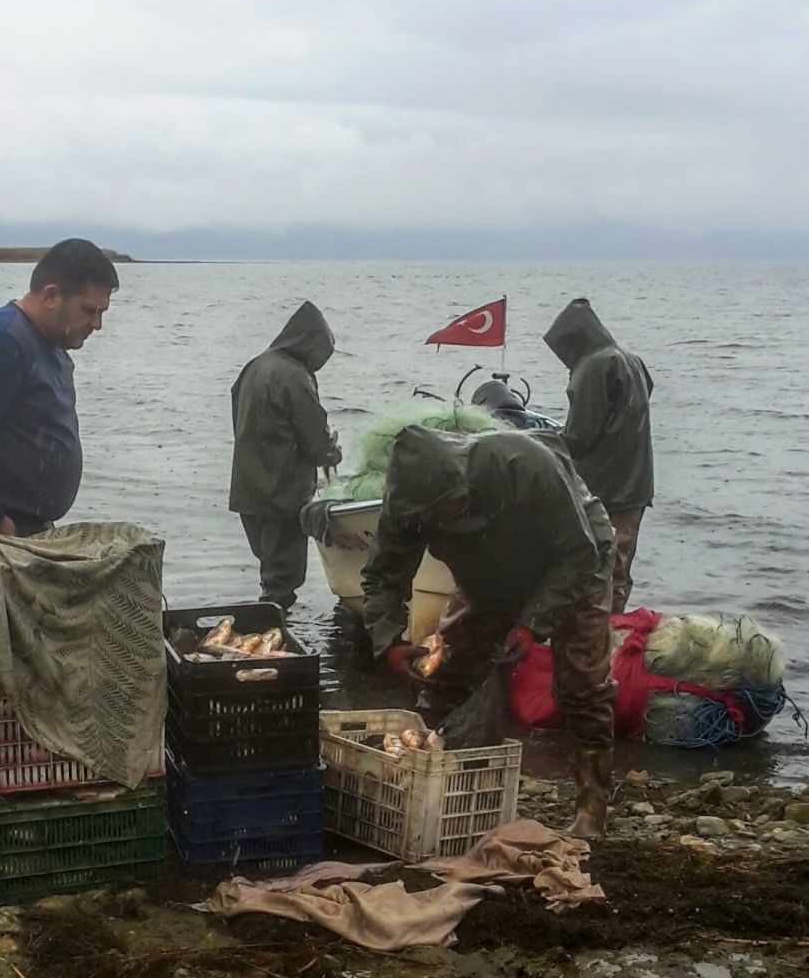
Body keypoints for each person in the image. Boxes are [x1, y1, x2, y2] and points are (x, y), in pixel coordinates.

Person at [362, 425, 617, 837]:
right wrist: (389, 643)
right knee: (449, 672)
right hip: (486, 579)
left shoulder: (523, 463)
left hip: (576, 561)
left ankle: (593, 803)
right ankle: (453, 784)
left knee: (581, 682)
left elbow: (579, 554)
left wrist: (532, 625)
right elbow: (382, 579)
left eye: (447, 509)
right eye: (429, 517)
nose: (437, 520)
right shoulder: (405, 510)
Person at [0, 238, 119, 536]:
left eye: (102, 313)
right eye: (89, 311)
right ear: (51, 296)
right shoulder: (3, 339)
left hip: (25, 524)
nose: (97, 324)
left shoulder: (52, 342)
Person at [229, 301, 341, 611]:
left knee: (269, 568)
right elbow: (316, 441)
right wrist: (333, 451)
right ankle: (273, 633)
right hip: (283, 493)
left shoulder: (254, 366)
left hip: (247, 488)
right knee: (284, 578)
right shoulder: (295, 375)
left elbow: (237, 417)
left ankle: (269, 624)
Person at [544, 298, 654, 612]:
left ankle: (597, 638)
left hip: (606, 486)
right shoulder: (631, 359)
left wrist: (539, 442)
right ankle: (614, 630)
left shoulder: (593, 365)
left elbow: (577, 438)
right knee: (620, 566)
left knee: (599, 566)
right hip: (637, 481)